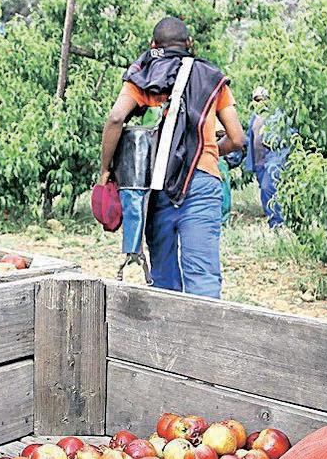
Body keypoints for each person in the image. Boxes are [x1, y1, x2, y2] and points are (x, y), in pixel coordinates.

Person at [100, 17, 245, 298]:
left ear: (153, 46)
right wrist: (211, 151)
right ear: (189, 44)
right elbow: (237, 138)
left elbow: (116, 118)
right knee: (202, 276)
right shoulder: (212, 78)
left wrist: (105, 170)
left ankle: (166, 341)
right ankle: (204, 341)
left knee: (163, 278)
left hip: (156, 185)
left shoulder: (143, 77)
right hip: (202, 181)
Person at [245, 87, 292, 228]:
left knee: (268, 188)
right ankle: (276, 221)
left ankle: (277, 223)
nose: (260, 103)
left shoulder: (278, 115)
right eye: (257, 100)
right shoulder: (254, 117)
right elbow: (249, 137)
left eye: (263, 99)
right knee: (266, 191)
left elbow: (287, 137)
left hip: (273, 161)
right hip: (259, 162)